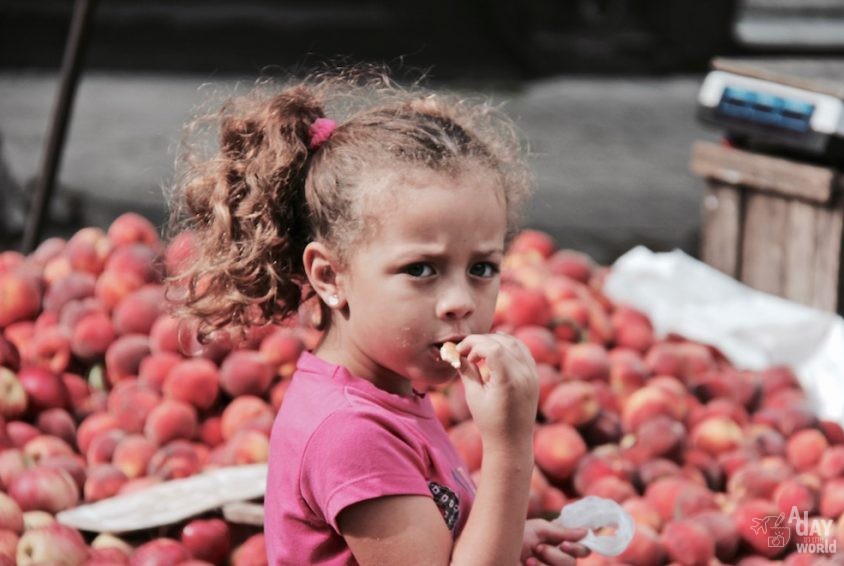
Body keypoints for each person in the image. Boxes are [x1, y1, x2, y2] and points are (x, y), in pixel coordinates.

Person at [165, 67, 591, 565]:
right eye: (420, 269)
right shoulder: (350, 434)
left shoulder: (388, 395)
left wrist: (503, 539)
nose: (460, 301)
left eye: (482, 267)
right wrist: (511, 446)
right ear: (329, 277)